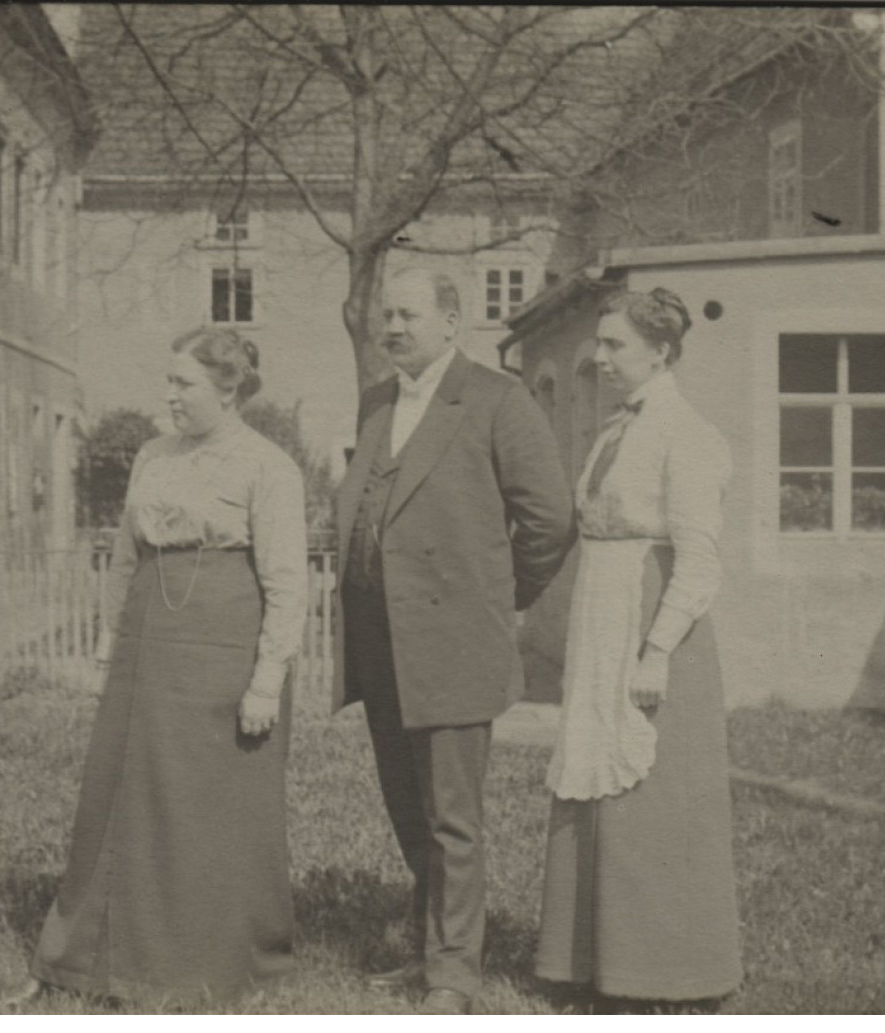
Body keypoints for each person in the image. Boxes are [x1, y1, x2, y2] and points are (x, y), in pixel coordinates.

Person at [13, 327, 307, 1006]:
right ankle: (88, 957)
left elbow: (288, 581)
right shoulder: (151, 455)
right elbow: (123, 560)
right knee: (119, 800)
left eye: (184, 384)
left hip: (224, 651)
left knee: (208, 809)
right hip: (148, 646)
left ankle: (201, 966)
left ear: (228, 389)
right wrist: (106, 646)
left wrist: (266, 680)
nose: (168, 395)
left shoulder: (267, 466)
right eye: (168, 381)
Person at [334, 268, 575, 1015]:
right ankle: (429, 943)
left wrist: (496, 599)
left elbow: (548, 519)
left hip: (453, 641)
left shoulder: (498, 399)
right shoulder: (377, 400)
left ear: (451, 320)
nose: (391, 327)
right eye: (385, 315)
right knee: (407, 806)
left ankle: (454, 974)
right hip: (379, 641)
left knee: (451, 815)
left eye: (407, 314)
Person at [536, 286, 742, 1005]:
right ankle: (586, 960)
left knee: (652, 798)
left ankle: (665, 972)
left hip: (653, 626)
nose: (600, 355)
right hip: (604, 618)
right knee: (591, 778)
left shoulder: (684, 432)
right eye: (598, 342)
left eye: (614, 344)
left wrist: (655, 649)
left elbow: (699, 558)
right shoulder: (613, 430)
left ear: (659, 350)